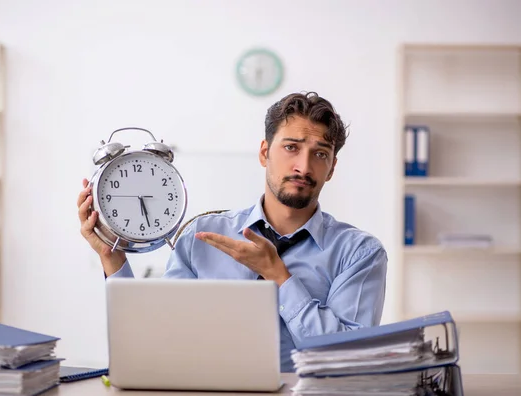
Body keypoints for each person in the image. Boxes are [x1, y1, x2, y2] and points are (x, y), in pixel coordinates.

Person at [77, 91, 388, 373]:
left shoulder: (360, 253)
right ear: (264, 153)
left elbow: (348, 362)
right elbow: (154, 340)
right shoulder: (201, 237)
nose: (303, 167)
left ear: (332, 167)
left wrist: (279, 276)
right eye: (291, 148)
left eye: (320, 154)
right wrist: (112, 256)